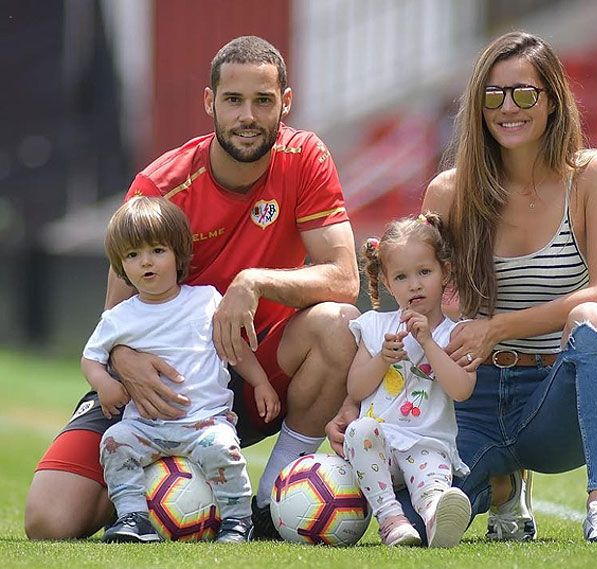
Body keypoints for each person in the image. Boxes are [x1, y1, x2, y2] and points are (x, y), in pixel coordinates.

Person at [25, 35, 360, 540]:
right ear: (210, 103)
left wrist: (255, 282)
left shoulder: (305, 157)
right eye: (233, 100)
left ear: (284, 105)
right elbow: (115, 316)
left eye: (263, 101)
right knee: (50, 523)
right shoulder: (160, 188)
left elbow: (345, 277)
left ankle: (269, 502)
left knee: (340, 323)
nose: (248, 115)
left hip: (255, 379)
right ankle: (158, 493)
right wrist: (126, 364)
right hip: (161, 391)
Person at [328, 31, 597, 544]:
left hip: (549, 398)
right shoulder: (448, 192)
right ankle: (501, 485)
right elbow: (415, 306)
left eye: (524, 93)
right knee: (417, 524)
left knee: (596, 321)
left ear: (553, 99)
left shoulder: (592, 176)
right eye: (493, 95)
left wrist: (498, 327)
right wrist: (354, 404)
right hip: (464, 399)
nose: (507, 107)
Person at [83, 196, 279, 543]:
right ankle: (132, 516)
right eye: (132, 255)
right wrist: (103, 383)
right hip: (146, 425)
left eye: (157, 250)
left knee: (223, 450)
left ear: (179, 255)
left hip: (204, 421)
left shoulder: (205, 301)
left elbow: (234, 349)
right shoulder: (119, 318)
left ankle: (237, 520)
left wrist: (261, 381)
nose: (146, 262)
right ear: (121, 266)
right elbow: (90, 358)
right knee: (114, 442)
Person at [344, 213, 474, 547]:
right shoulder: (375, 326)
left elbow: (461, 390)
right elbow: (356, 389)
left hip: (427, 445)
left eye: (424, 272)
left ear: (445, 272)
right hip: (380, 445)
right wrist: (382, 360)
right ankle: (392, 520)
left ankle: (435, 515)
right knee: (359, 431)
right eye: (401, 277)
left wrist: (429, 343)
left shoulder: (456, 333)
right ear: (387, 283)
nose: (414, 284)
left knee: (431, 486)